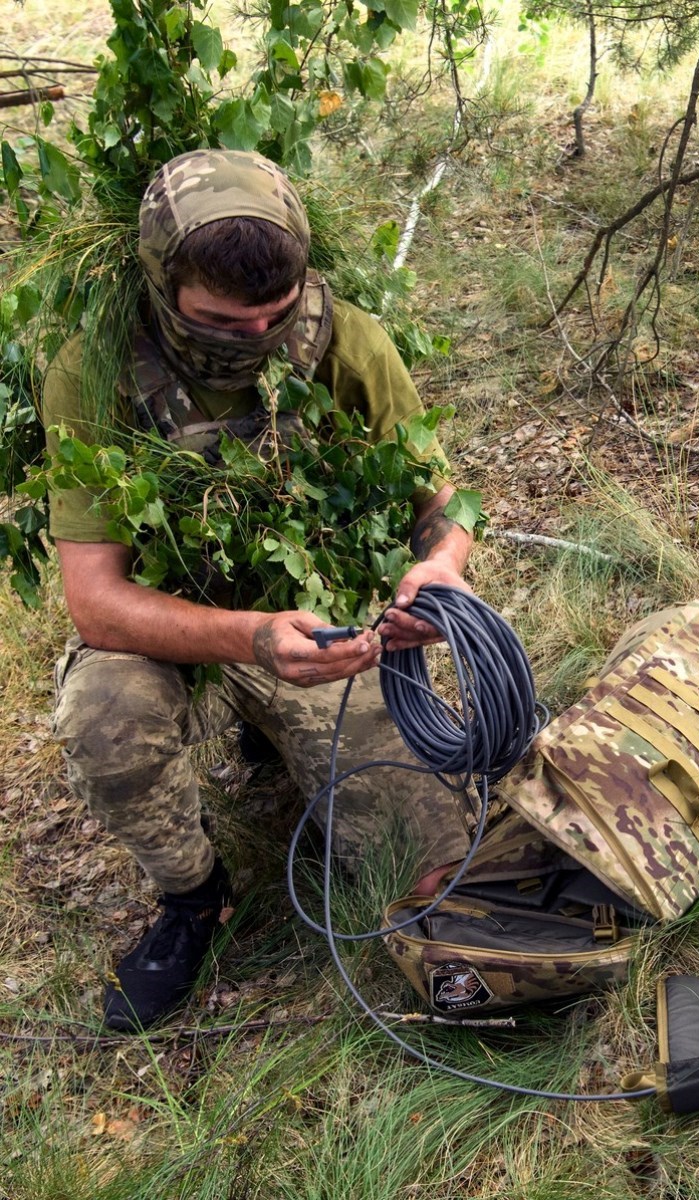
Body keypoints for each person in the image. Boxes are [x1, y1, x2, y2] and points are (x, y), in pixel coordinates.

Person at [41, 149, 476, 1032]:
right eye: (219, 322)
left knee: (432, 866)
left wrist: (440, 568)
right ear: (161, 283)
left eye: (273, 319)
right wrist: (248, 638)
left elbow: (446, 501)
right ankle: (195, 898)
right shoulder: (94, 367)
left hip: (324, 630)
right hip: (178, 634)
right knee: (105, 716)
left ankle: (292, 747)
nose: (252, 340)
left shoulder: (344, 338)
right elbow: (96, 600)